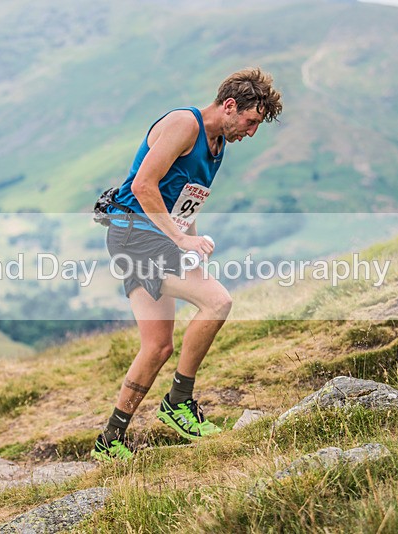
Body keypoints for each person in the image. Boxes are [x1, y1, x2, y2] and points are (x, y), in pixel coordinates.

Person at [92, 67, 283, 461]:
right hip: (135, 235)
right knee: (218, 302)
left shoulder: (217, 143)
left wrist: (191, 244)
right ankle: (179, 402)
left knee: (157, 347)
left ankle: (110, 441)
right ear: (230, 106)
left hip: (156, 238)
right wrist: (181, 240)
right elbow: (144, 185)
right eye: (250, 122)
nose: (251, 132)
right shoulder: (184, 124)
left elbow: (182, 200)